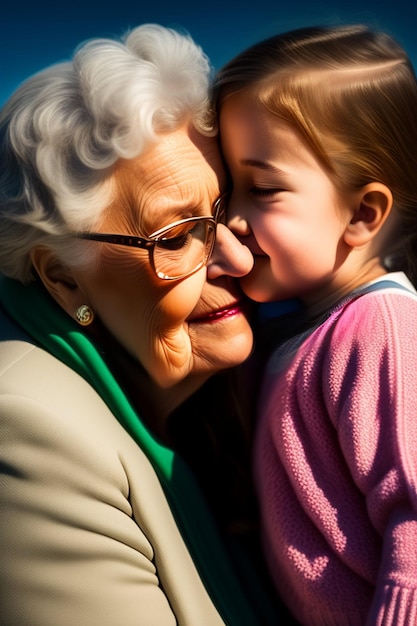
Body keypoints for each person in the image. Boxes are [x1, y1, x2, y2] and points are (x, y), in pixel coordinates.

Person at [0, 23, 280, 626]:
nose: (236, 258)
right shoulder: (25, 429)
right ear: (64, 280)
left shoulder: (235, 395)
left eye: (227, 212)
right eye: (176, 237)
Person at [213, 24, 417, 626]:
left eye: (262, 189)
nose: (234, 220)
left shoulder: (382, 327)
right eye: (227, 193)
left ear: (361, 213)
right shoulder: (294, 327)